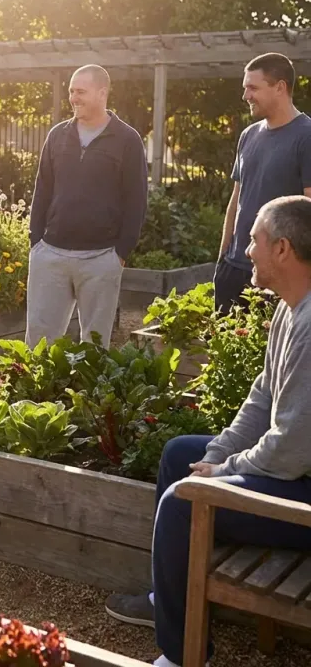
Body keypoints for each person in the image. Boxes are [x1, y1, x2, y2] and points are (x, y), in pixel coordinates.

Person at [105, 195, 311, 667]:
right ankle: (170, 600)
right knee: (180, 453)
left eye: (254, 239)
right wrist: (218, 452)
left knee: (182, 503)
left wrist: (223, 471)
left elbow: (290, 450)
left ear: (282, 249)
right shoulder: (290, 308)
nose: (246, 249)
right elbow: (262, 397)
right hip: (295, 472)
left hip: (304, 493)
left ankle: (182, 657)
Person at [26, 64, 148, 348]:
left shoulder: (127, 140)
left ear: (102, 93)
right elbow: (42, 190)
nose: (73, 98)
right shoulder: (57, 135)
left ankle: (87, 383)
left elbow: (136, 201)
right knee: (39, 344)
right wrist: (36, 242)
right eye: (71, 91)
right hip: (50, 255)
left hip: (100, 258)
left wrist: (120, 253)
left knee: (94, 347)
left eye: (80, 91)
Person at [215, 52, 311, 313]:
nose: (245, 96)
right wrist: (222, 259)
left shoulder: (306, 136)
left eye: (253, 88)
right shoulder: (248, 135)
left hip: (277, 279)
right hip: (233, 269)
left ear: (280, 87)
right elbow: (236, 200)